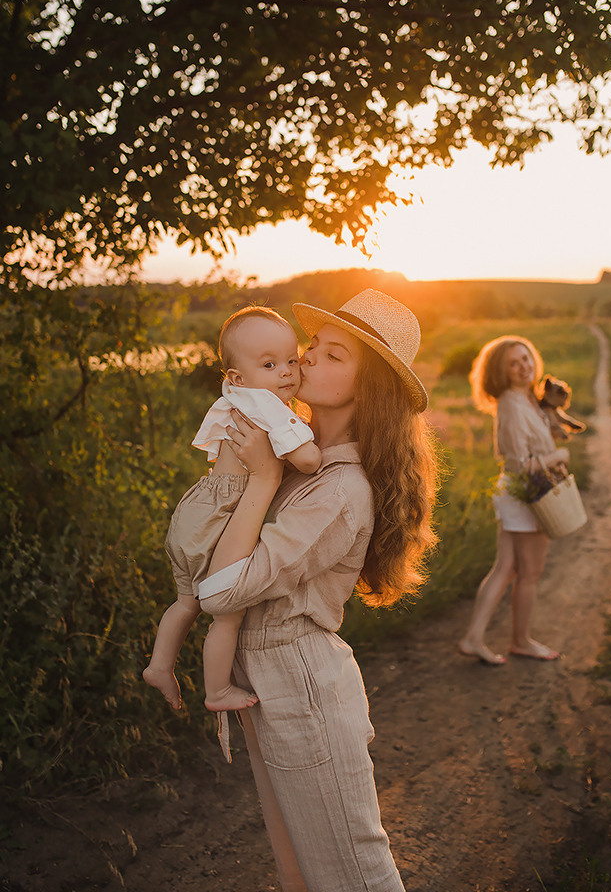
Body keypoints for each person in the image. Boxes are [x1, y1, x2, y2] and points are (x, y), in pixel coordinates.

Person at [196, 288, 438, 892]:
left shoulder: (341, 490)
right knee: (298, 873)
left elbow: (222, 592)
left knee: (352, 873)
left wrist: (263, 479)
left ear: (369, 388)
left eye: (334, 356)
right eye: (312, 347)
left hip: (301, 680)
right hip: (269, 676)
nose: (305, 361)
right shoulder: (299, 452)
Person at [143, 306, 322, 714]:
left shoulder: (236, 396)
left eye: (292, 360)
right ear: (238, 378)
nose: (286, 372)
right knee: (227, 614)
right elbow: (308, 460)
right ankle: (217, 691)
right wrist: (320, 448)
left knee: (186, 602)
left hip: (195, 510)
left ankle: (159, 664)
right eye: (270, 364)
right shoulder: (265, 404)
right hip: (223, 517)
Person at [458, 336, 569, 666]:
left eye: (526, 358)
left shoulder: (526, 399)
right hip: (527, 493)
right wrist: (558, 455)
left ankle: (473, 638)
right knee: (529, 573)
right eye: (514, 363)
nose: (524, 366)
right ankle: (521, 641)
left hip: (517, 493)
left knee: (505, 568)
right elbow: (519, 465)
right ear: (501, 372)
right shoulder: (511, 402)